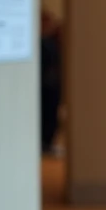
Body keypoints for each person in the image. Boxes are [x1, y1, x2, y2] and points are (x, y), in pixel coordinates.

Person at [40, 10, 63, 155]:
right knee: (47, 116)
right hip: (46, 86)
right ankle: (44, 143)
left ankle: (47, 143)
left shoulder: (52, 41)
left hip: (52, 85)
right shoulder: (43, 43)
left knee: (51, 116)